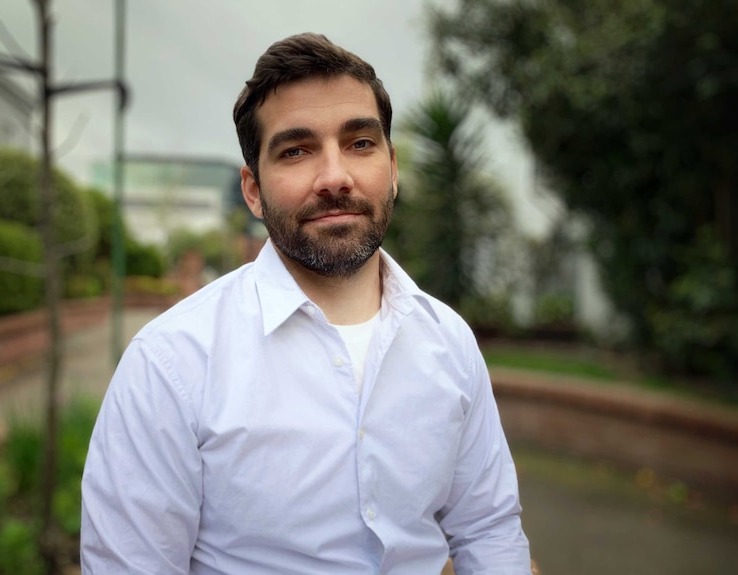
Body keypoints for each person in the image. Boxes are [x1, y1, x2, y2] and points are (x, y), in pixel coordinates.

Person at [81, 33, 532, 574]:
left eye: (360, 143)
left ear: (393, 169)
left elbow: (488, 529)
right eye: (296, 151)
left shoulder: (450, 342)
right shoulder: (171, 363)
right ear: (253, 190)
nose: (334, 177)